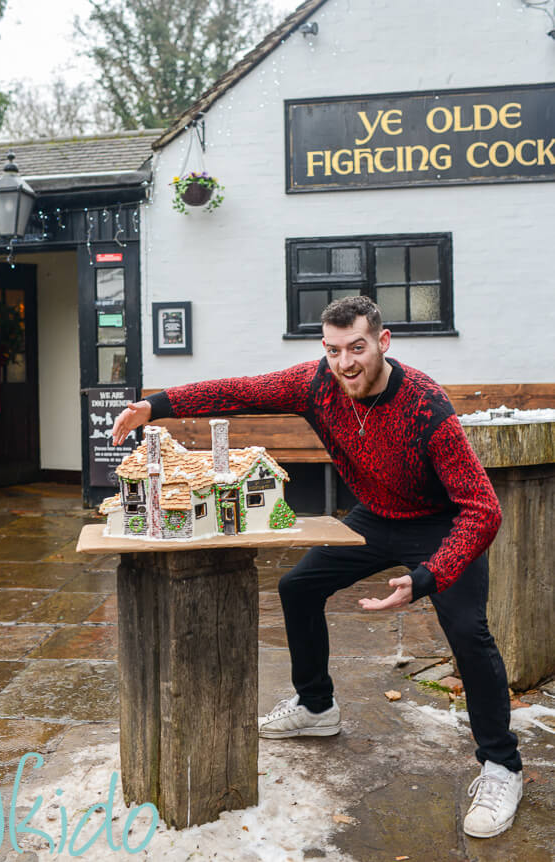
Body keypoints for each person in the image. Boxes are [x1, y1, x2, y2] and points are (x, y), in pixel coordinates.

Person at [111, 295, 522, 840]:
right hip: (375, 517)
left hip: (439, 524)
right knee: (298, 587)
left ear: (383, 341)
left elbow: (482, 508)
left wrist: (426, 577)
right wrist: (156, 405)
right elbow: (238, 391)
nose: (346, 363)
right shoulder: (316, 384)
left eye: (357, 348)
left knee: (468, 632)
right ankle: (315, 705)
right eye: (333, 350)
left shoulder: (427, 407)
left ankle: (501, 766)